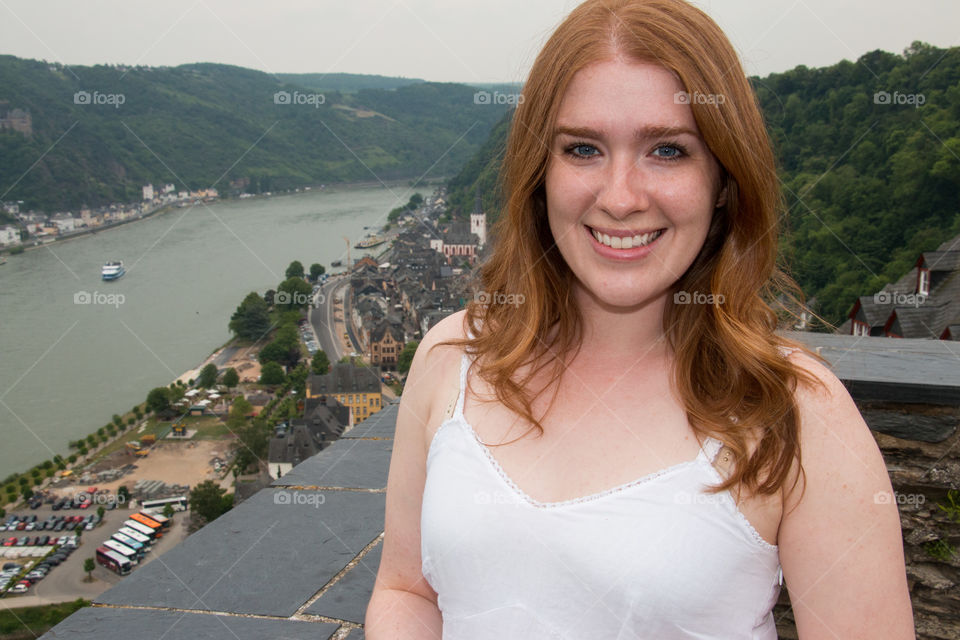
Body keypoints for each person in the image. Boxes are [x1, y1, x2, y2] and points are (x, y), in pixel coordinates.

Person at [366, 0, 915, 637]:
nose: (621, 197)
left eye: (667, 150)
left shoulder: (797, 413)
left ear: (724, 179)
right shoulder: (451, 357)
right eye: (583, 149)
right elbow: (407, 589)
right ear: (539, 175)